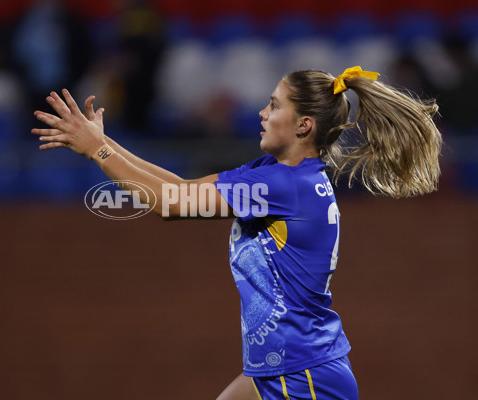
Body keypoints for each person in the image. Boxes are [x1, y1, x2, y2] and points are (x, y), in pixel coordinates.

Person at [31, 66, 442, 400]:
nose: (262, 113)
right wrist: (105, 143)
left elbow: (172, 205)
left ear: (303, 125)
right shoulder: (275, 176)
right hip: (284, 371)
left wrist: (97, 151)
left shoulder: (282, 188)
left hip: (304, 379)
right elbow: (181, 189)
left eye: (273, 105)